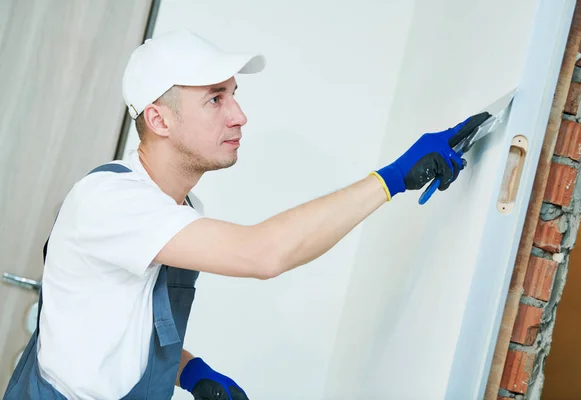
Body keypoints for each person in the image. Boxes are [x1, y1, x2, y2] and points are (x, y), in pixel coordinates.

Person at [3, 29, 489, 400]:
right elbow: (263, 254)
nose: (239, 115)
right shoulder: (109, 202)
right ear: (159, 119)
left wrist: (191, 371)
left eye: (233, 94)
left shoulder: (182, 210)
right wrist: (391, 178)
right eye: (215, 98)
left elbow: (120, 323)